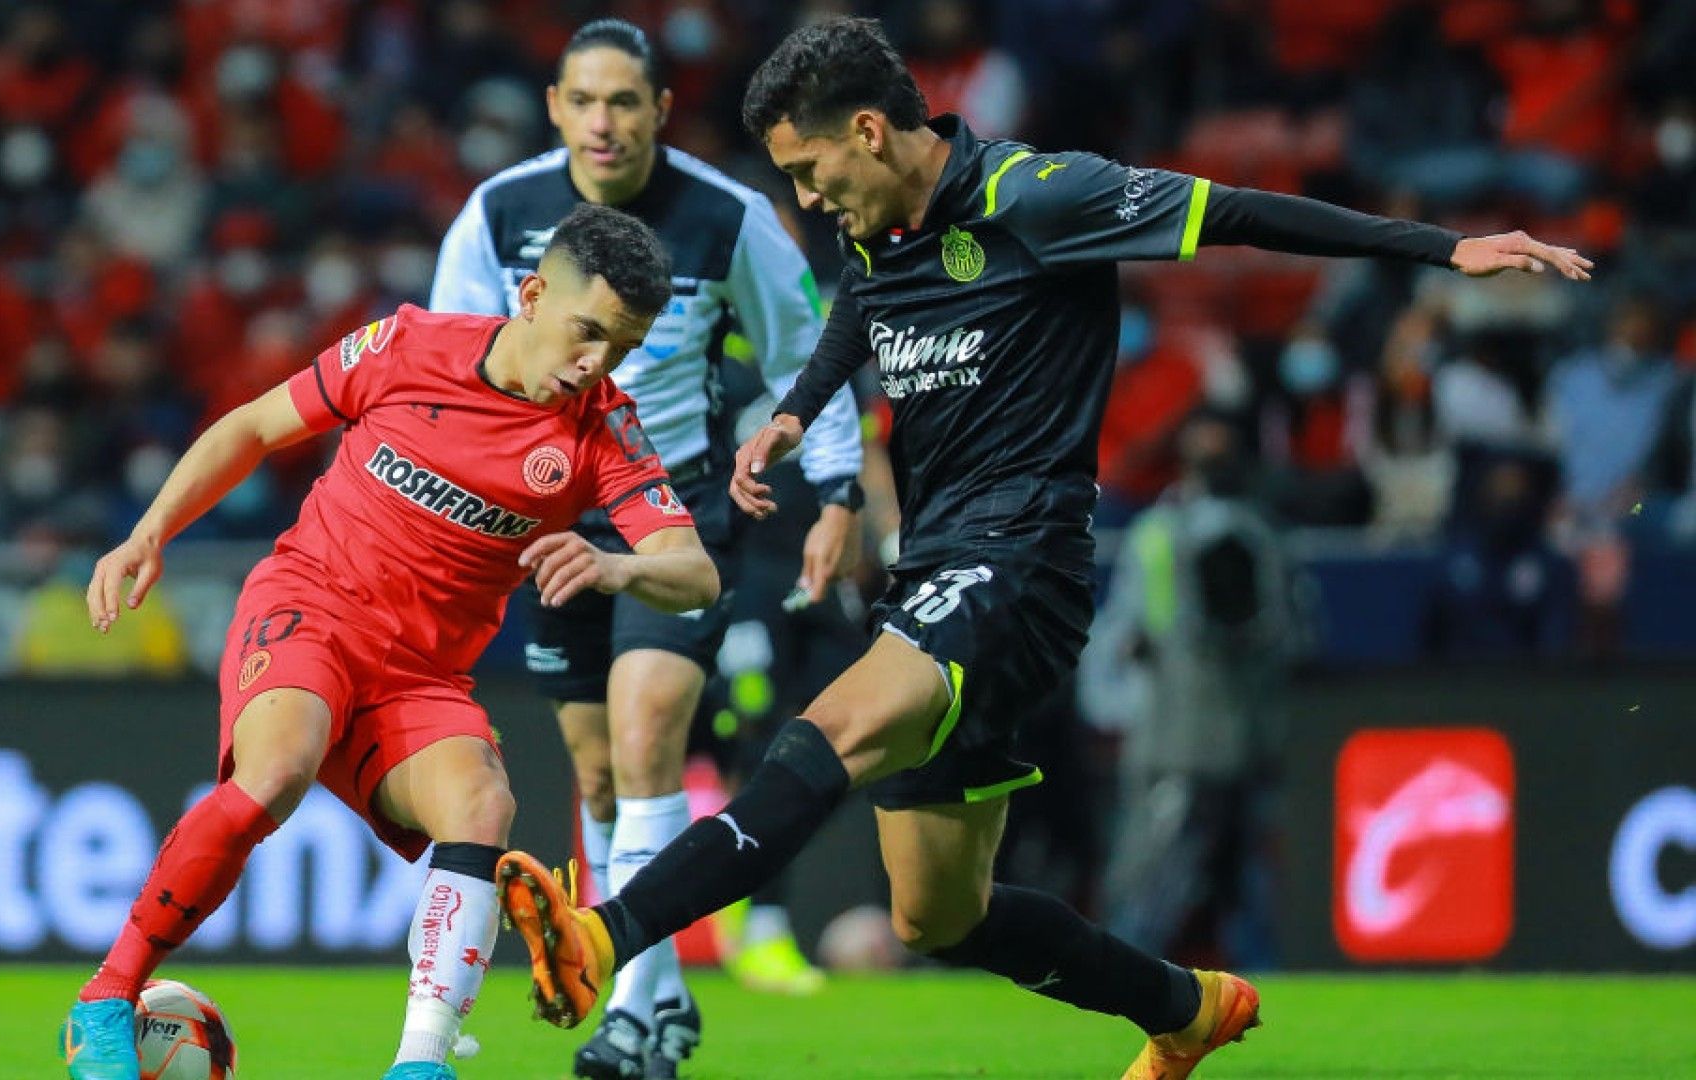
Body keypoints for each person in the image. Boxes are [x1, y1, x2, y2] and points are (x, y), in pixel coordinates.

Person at [492, 17, 1593, 1080]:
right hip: (937, 568)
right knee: (939, 912)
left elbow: (1245, 212)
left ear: (870, 130)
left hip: (1022, 561)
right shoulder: (872, 222)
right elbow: (863, 303)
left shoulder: (1040, 196)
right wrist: (795, 410)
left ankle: (604, 936)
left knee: (823, 730)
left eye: (811, 168)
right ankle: (1186, 1009)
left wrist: (1445, 249)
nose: (807, 196)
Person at [56, 203, 720, 1080]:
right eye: (588, 331)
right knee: (276, 773)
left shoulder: (603, 427)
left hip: (420, 676)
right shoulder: (406, 347)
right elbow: (255, 426)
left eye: (623, 346)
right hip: (311, 605)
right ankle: (107, 995)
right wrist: (149, 534)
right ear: (531, 296)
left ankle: (421, 1064)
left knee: (482, 806)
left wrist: (619, 567)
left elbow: (696, 573)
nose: (597, 362)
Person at [430, 20, 863, 1079]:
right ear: (554, 107)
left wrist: (840, 488)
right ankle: (662, 1002)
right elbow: (450, 369)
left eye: (626, 101)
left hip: (678, 515)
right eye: (585, 100)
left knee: (648, 731)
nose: (604, 122)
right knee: (599, 774)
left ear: (662, 110)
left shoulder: (730, 216)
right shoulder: (499, 215)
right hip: (549, 526)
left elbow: (808, 354)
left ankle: (627, 1014)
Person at [1088, 412, 1304, 965]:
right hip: (1189, 738)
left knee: (1234, 887)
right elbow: (1123, 636)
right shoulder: (1181, 536)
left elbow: (1285, 630)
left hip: (1218, 740)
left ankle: (1261, 995)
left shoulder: (1252, 536)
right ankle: (1126, 977)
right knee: (1162, 885)